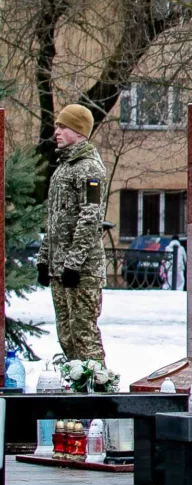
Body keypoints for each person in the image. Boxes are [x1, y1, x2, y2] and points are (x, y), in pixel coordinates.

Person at [41, 104, 109, 361]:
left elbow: (90, 218)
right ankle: (77, 381)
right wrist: (44, 259)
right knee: (67, 336)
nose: (56, 132)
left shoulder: (90, 169)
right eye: (57, 126)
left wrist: (73, 263)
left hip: (82, 269)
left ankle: (96, 382)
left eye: (63, 127)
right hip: (59, 267)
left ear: (80, 132)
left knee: (84, 336)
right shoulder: (64, 167)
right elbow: (54, 219)